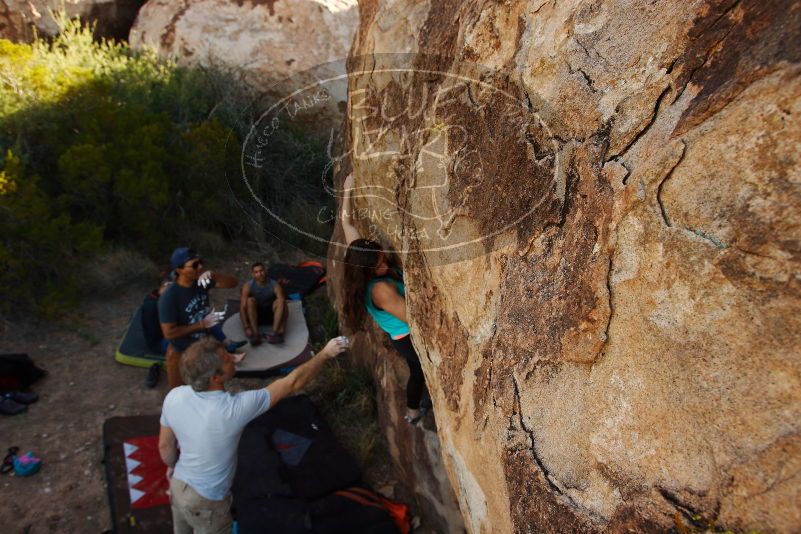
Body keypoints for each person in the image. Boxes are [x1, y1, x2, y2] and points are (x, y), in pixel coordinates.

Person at [158, 335, 349, 534]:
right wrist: (326, 354)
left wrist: (173, 468)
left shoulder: (175, 396)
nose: (233, 359)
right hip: (207, 502)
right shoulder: (233, 410)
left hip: (178, 486)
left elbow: (165, 448)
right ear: (215, 378)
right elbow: (292, 383)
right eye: (226, 359)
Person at [339, 173, 429, 426]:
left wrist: (348, 190)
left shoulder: (359, 257)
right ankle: (412, 413)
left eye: (380, 256)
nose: (384, 262)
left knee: (418, 371)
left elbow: (347, 224)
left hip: (400, 333)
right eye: (379, 263)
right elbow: (412, 318)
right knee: (418, 371)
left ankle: (414, 408)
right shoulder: (379, 290)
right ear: (367, 272)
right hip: (406, 336)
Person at [158, 247, 239, 390]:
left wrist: (213, 275)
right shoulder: (169, 297)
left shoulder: (202, 282)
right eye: (194, 265)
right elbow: (169, 333)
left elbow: (233, 283)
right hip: (181, 352)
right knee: (180, 393)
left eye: (200, 262)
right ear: (179, 270)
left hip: (204, 350)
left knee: (211, 388)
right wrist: (201, 324)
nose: (200, 267)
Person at [240, 262, 288, 345]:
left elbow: (284, 307)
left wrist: (282, 326)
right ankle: (256, 334)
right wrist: (246, 327)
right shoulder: (248, 286)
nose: (260, 274)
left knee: (281, 301)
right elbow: (242, 307)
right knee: (249, 301)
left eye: (261, 271)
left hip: (271, 317)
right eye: (256, 272)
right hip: (255, 316)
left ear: (265, 271)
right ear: (253, 274)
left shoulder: (275, 285)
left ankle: (274, 334)